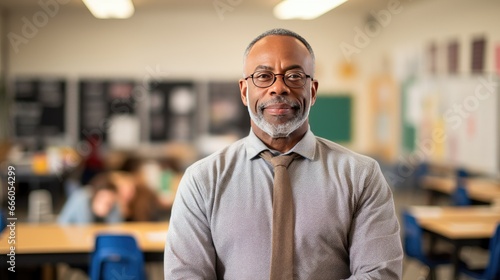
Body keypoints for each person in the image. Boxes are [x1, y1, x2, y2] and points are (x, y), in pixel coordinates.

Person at [164, 28, 403, 279]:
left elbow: (379, 273)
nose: (279, 87)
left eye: (294, 75)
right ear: (245, 92)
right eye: (264, 76)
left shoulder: (361, 176)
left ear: (312, 91)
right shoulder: (201, 180)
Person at [58, 172, 122, 224]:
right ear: (95, 195)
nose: (107, 200)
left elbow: (116, 228)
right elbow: (62, 222)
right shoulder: (81, 197)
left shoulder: (114, 205)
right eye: (103, 197)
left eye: (109, 202)